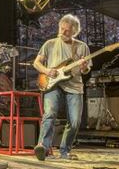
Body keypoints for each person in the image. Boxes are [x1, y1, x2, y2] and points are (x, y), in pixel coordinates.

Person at [33, 14, 92, 161]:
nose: (63, 32)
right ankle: (43, 147)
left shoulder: (82, 47)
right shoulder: (50, 44)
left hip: (75, 86)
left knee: (75, 121)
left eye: (67, 30)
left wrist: (84, 67)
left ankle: (65, 151)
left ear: (75, 32)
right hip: (53, 84)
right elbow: (36, 63)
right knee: (50, 114)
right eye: (61, 28)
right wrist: (47, 71)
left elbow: (86, 70)